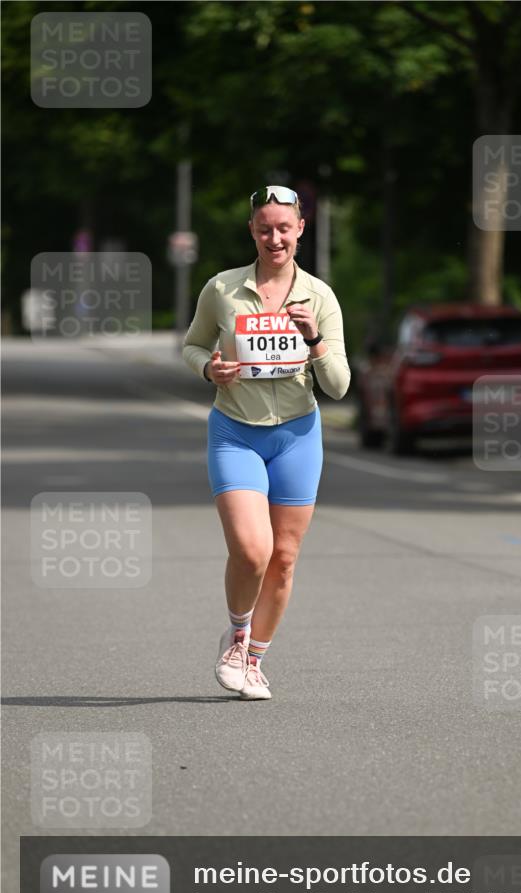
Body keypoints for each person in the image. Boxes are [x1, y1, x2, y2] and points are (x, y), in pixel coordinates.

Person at [182, 184, 350, 701]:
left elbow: (340, 385)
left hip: (298, 434)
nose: (274, 238)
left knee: (283, 557)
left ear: (301, 229)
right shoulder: (222, 289)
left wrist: (313, 339)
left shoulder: (319, 296)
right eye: (263, 228)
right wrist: (211, 367)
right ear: (251, 231)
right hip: (235, 432)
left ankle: (255, 659)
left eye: (283, 228)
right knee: (252, 552)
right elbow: (191, 345)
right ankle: (236, 635)